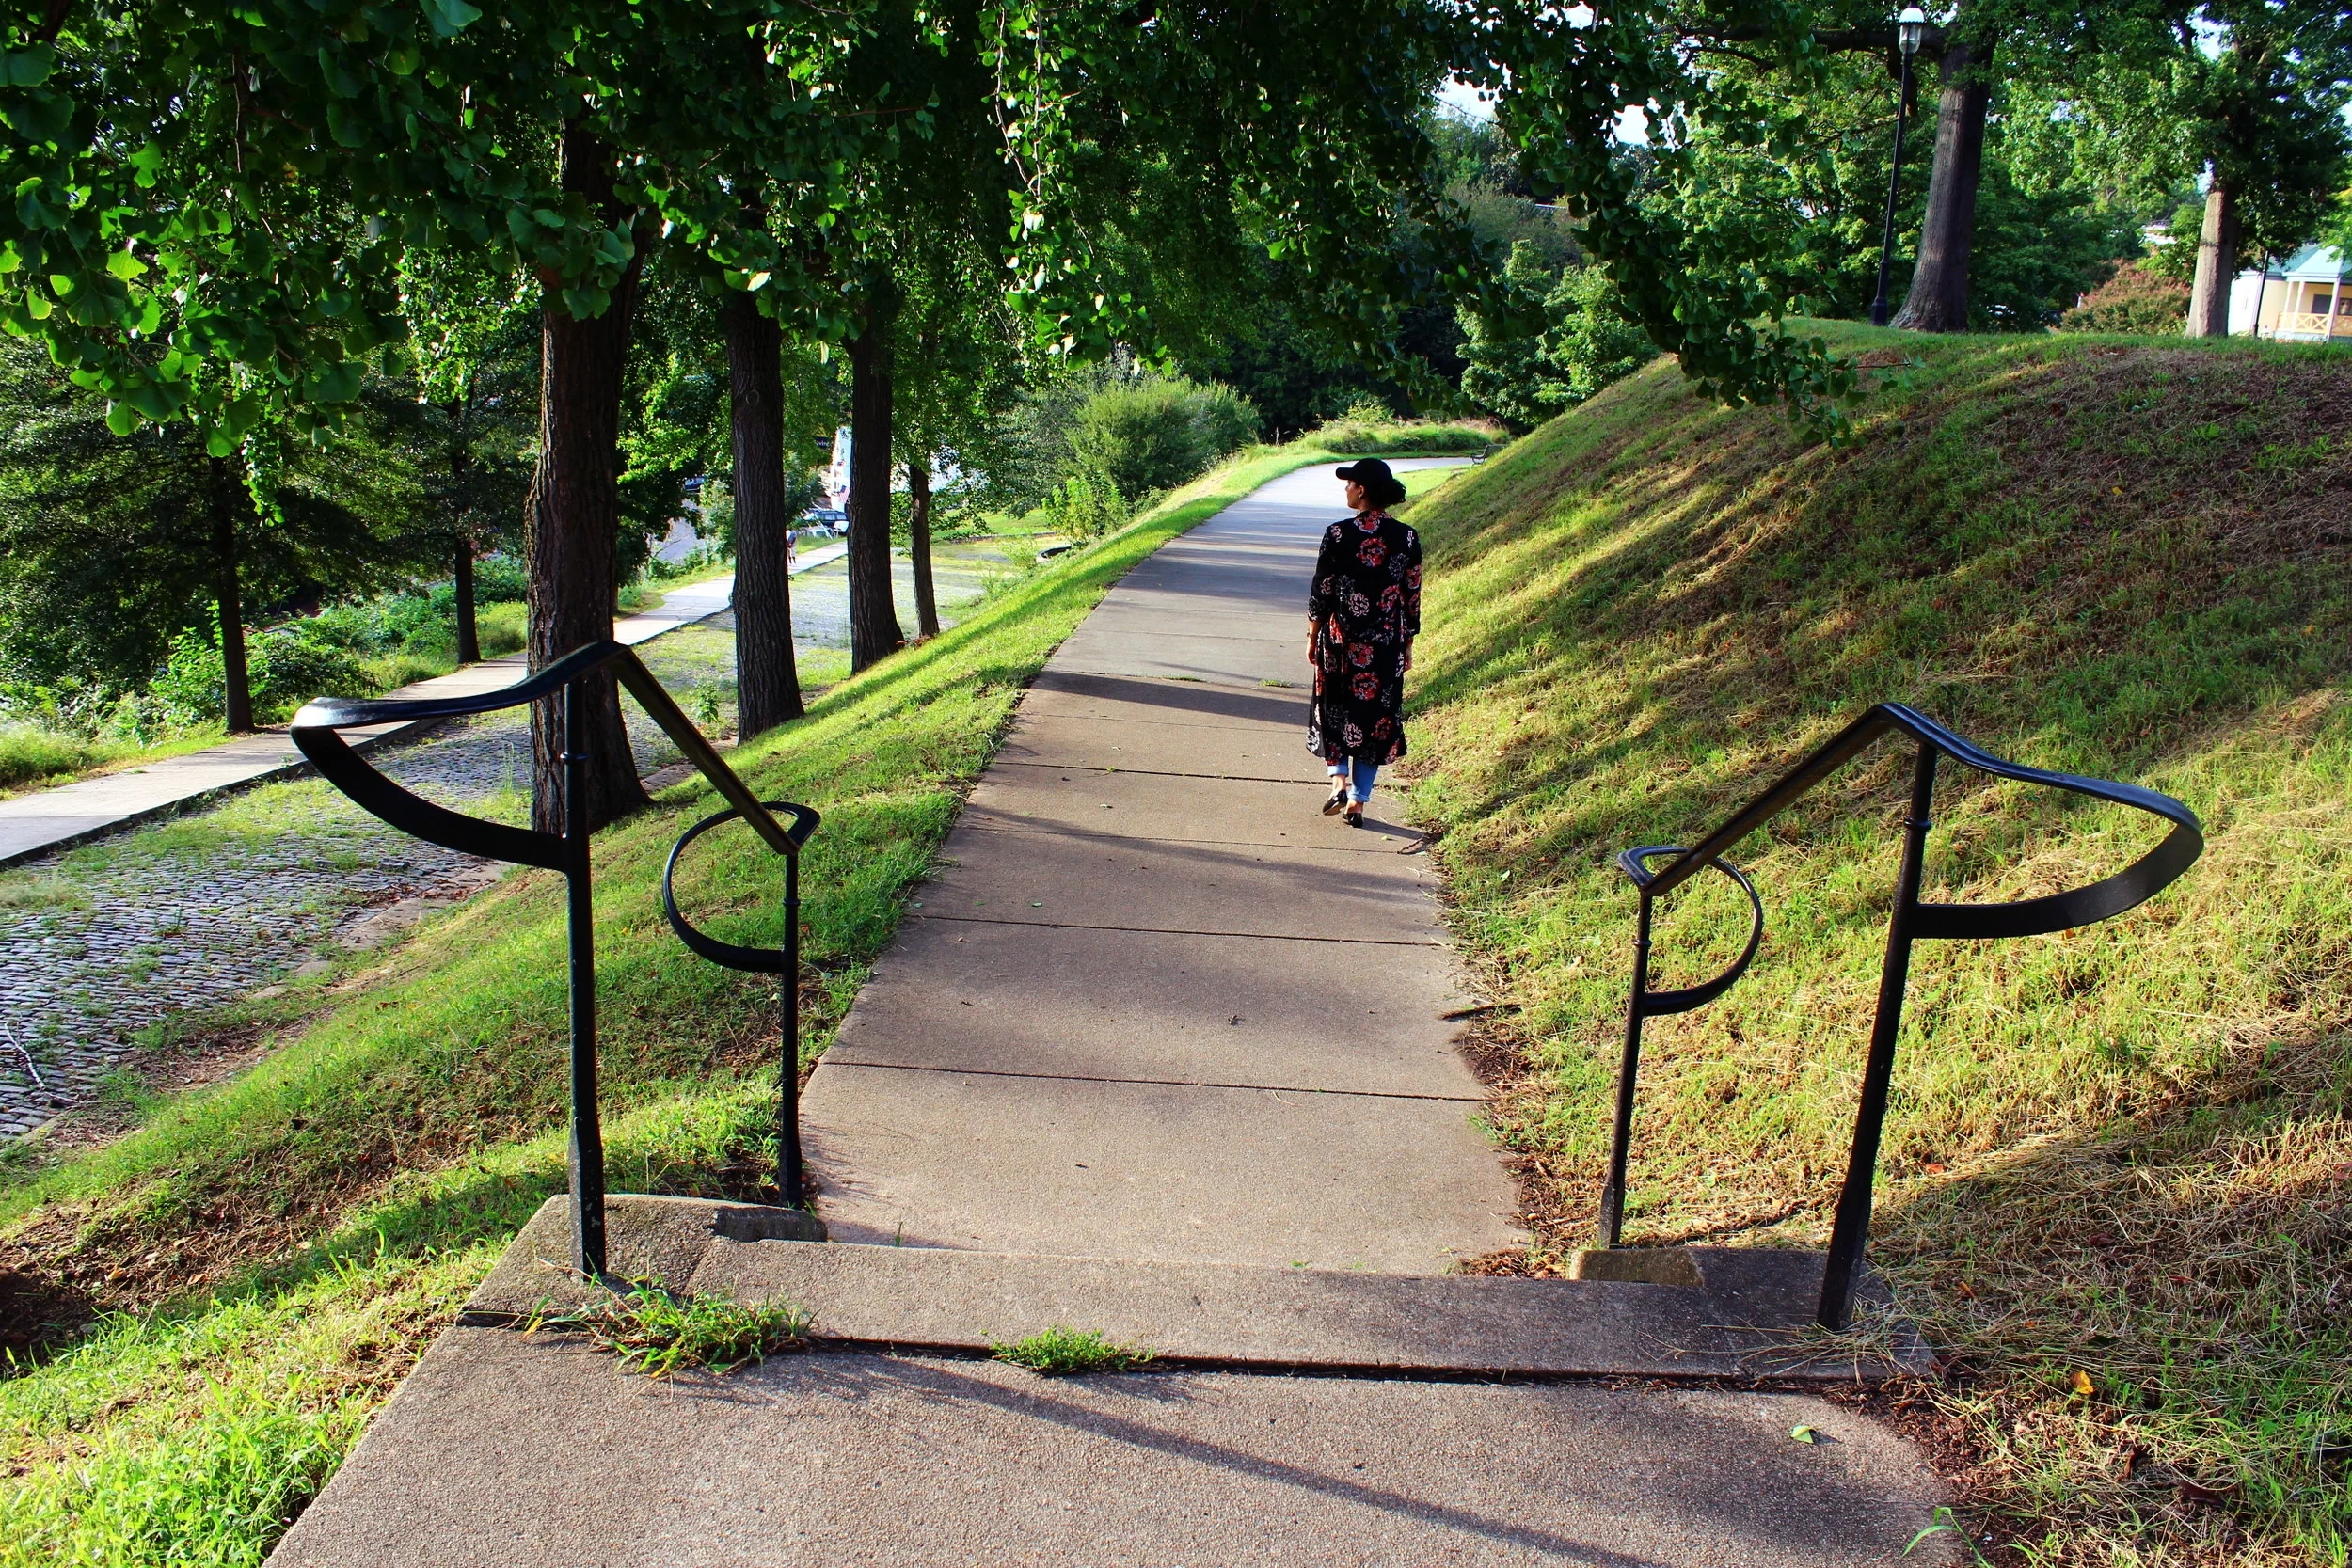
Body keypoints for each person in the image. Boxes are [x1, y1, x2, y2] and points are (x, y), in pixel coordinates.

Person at [1306, 457, 1422, 827]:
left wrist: (1312, 635)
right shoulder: (1406, 536)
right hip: (1386, 644)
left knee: (1333, 709)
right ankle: (1358, 802)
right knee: (1376, 720)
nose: (1346, 489)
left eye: (1350, 482)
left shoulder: (1338, 534)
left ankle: (1338, 782)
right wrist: (1408, 643)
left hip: (1341, 640)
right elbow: (1412, 594)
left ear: (1363, 489)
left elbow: (1321, 590)